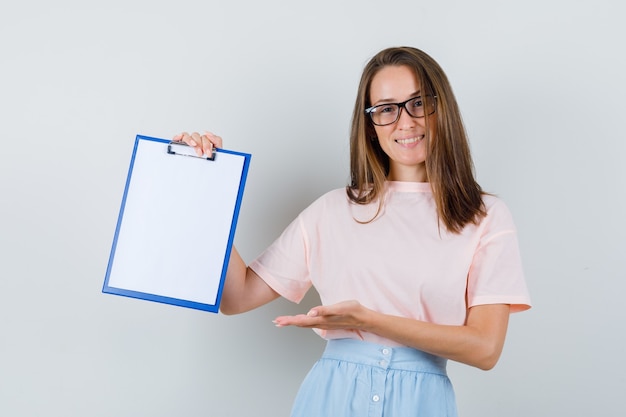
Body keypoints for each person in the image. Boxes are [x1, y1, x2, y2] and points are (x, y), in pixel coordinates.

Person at [174, 46, 531, 417]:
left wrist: (369, 320)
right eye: (387, 109)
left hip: (422, 403)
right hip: (330, 398)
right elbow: (236, 297)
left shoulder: (485, 216)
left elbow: (485, 348)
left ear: (443, 109)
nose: (405, 122)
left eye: (419, 102)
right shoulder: (332, 210)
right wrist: (206, 186)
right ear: (371, 126)